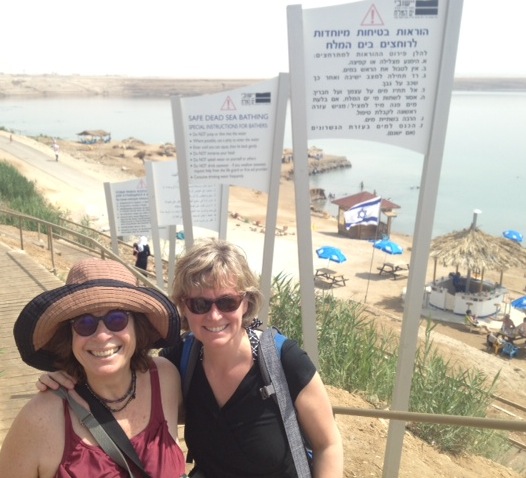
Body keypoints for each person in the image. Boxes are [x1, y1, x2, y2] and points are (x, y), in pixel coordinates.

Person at [167, 237, 343, 477]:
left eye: (227, 302)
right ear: (184, 307)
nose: (215, 316)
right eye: (200, 304)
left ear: (246, 304)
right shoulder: (179, 361)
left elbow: (328, 445)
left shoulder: (283, 361)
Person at [0, 258, 186, 477]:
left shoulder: (165, 378)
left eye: (116, 319)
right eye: (84, 323)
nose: (102, 335)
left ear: (138, 326)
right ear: (69, 335)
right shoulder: (40, 418)